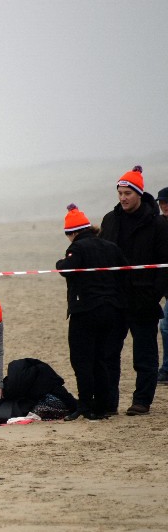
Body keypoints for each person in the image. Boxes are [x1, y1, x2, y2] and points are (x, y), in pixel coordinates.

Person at [97, 166, 168, 415]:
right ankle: (109, 403)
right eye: (120, 193)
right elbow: (102, 257)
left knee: (145, 356)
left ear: (139, 193)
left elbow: (164, 264)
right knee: (109, 354)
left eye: (128, 193)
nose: (123, 198)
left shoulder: (157, 224)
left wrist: (153, 294)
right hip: (114, 300)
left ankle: (142, 401)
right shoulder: (110, 220)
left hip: (144, 300)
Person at [57, 204, 127, 420]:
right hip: (112, 311)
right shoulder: (110, 246)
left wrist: (61, 262)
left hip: (86, 311)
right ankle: (104, 406)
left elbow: (66, 268)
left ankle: (86, 405)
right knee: (101, 359)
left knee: (82, 360)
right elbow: (125, 272)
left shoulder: (78, 248)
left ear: (73, 232)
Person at [157, 186, 168, 384]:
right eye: (162, 202)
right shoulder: (158, 225)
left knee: (165, 326)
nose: (165, 206)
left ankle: (166, 369)